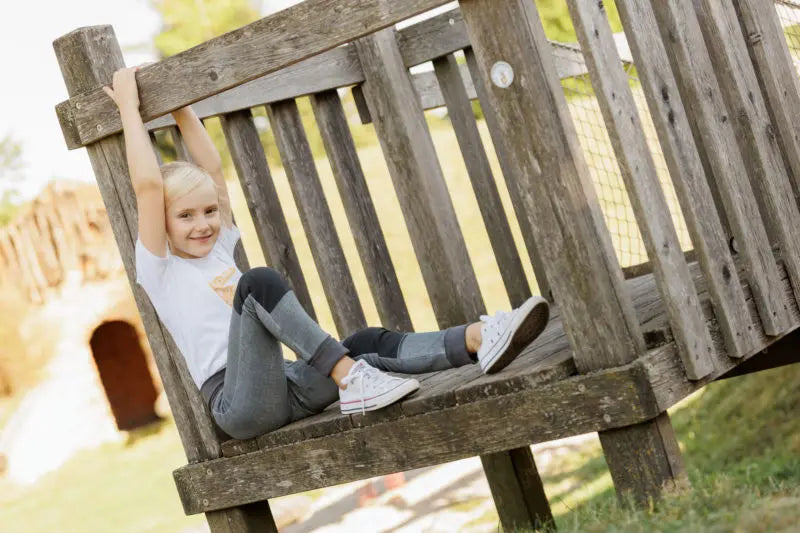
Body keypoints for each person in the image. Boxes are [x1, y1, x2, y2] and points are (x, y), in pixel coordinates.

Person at [103, 66, 550, 441]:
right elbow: (147, 187)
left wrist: (179, 103)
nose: (202, 223)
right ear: (160, 224)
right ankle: (349, 377)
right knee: (258, 283)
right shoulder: (160, 269)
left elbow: (214, 169)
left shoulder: (217, 249)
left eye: (207, 212)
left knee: (363, 344)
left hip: (288, 384)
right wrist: (128, 105)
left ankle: (479, 340)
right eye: (185, 216)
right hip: (239, 406)